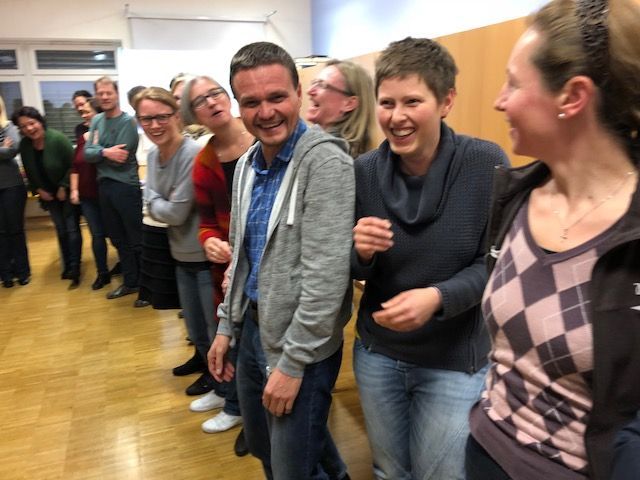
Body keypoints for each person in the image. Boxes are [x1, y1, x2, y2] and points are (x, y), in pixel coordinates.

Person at [466, 1, 640, 479]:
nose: (499, 101)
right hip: (483, 449)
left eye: (514, 83)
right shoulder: (516, 198)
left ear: (573, 96)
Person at [351, 37, 509, 480]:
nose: (396, 116)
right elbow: (354, 269)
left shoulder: (485, 163)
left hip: (454, 360)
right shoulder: (365, 171)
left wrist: (438, 297)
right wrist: (359, 251)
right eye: (387, 103)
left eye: (412, 102)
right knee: (389, 471)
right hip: (379, 354)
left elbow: (497, 263)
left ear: (446, 102)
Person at [209, 41, 354, 480]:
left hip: (300, 346)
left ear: (298, 93)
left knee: (292, 467)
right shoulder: (249, 164)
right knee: (267, 447)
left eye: (277, 97)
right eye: (251, 102)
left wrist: (293, 365)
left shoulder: (324, 163)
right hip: (254, 329)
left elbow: (326, 280)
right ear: (238, 106)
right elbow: (242, 256)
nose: (266, 112)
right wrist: (226, 326)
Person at [180, 75, 255, 450]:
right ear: (194, 115)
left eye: (215, 93)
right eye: (200, 101)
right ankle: (234, 401)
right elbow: (207, 221)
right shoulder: (205, 161)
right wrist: (209, 240)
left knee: (258, 347)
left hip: (267, 265)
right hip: (227, 271)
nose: (211, 102)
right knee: (232, 338)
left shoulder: (261, 140)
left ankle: (247, 413)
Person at [133, 87, 215, 395]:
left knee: (211, 326)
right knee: (193, 324)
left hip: (203, 255)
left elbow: (176, 213)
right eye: (146, 119)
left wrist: (152, 199)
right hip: (179, 252)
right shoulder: (154, 155)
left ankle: (218, 379)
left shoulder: (192, 153)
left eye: (162, 117)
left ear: (177, 116)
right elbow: (161, 204)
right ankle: (202, 360)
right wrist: (158, 200)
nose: (154, 125)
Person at [84, 76, 143, 299]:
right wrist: (105, 151)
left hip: (125, 186)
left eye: (108, 92)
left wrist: (98, 151)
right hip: (105, 187)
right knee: (118, 239)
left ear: (117, 94)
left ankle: (147, 289)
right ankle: (130, 283)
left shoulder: (128, 122)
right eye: (100, 93)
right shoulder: (97, 120)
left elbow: (122, 157)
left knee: (136, 240)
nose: (105, 97)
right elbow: (88, 154)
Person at [12, 106, 83, 288]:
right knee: (61, 230)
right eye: (23, 126)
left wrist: (64, 187)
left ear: (40, 121)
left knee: (72, 229)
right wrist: (37, 189)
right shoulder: (25, 145)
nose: (29, 128)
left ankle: (75, 268)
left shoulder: (58, 139)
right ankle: (68, 265)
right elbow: (28, 172)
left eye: (32, 123)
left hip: (67, 192)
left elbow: (73, 166)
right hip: (48, 196)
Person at [70, 98, 111, 290]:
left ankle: (128, 268)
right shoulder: (82, 138)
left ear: (100, 114)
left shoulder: (109, 137)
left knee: (116, 235)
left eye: (87, 112)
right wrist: (74, 190)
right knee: (97, 236)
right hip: (87, 197)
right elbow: (75, 167)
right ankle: (103, 273)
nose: (84, 115)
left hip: (106, 194)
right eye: (82, 113)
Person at [306, 59, 376, 157]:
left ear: (349, 103)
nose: (309, 91)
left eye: (322, 85)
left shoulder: (330, 156)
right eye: (314, 83)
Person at [0, 95, 30, 287]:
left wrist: (6, 150)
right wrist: (3, 148)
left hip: (12, 186)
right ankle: (5, 274)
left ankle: (22, 272)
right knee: (1, 233)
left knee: (15, 230)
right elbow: (6, 151)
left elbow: (14, 149)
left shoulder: (8, 126)